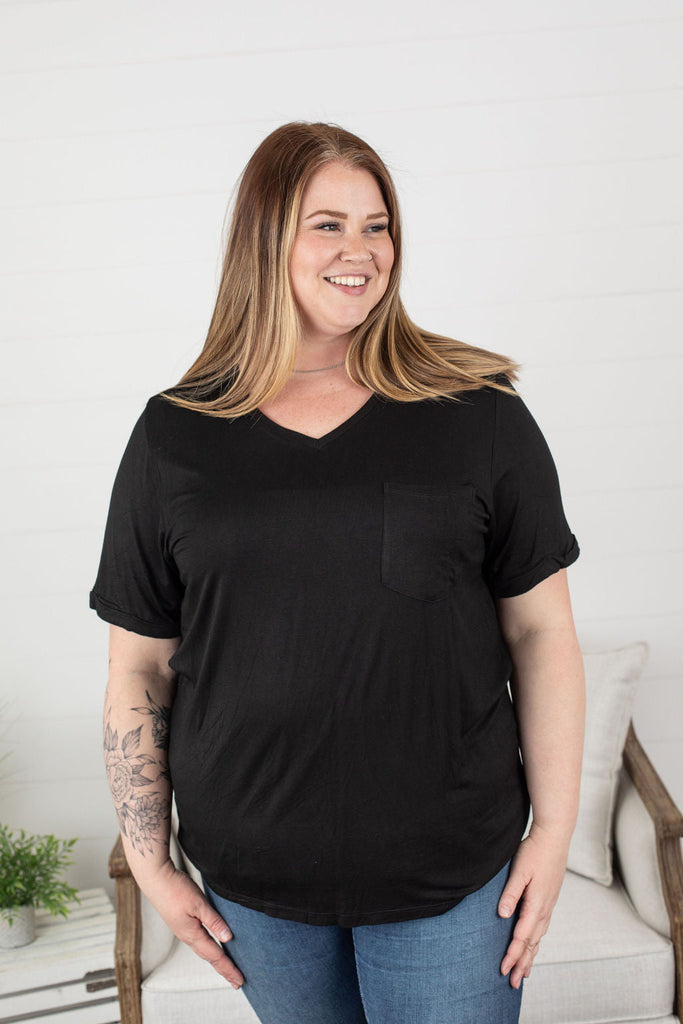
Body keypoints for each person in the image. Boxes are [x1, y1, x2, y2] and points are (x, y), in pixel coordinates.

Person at [90, 121, 585, 1024]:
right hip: (252, 886)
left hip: (450, 874)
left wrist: (552, 832)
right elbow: (140, 666)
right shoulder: (174, 433)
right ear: (264, 240)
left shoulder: (475, 409)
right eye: (327, 225)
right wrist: (152, 865)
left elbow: (540, 629)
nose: (360, 251)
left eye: (376, 225)